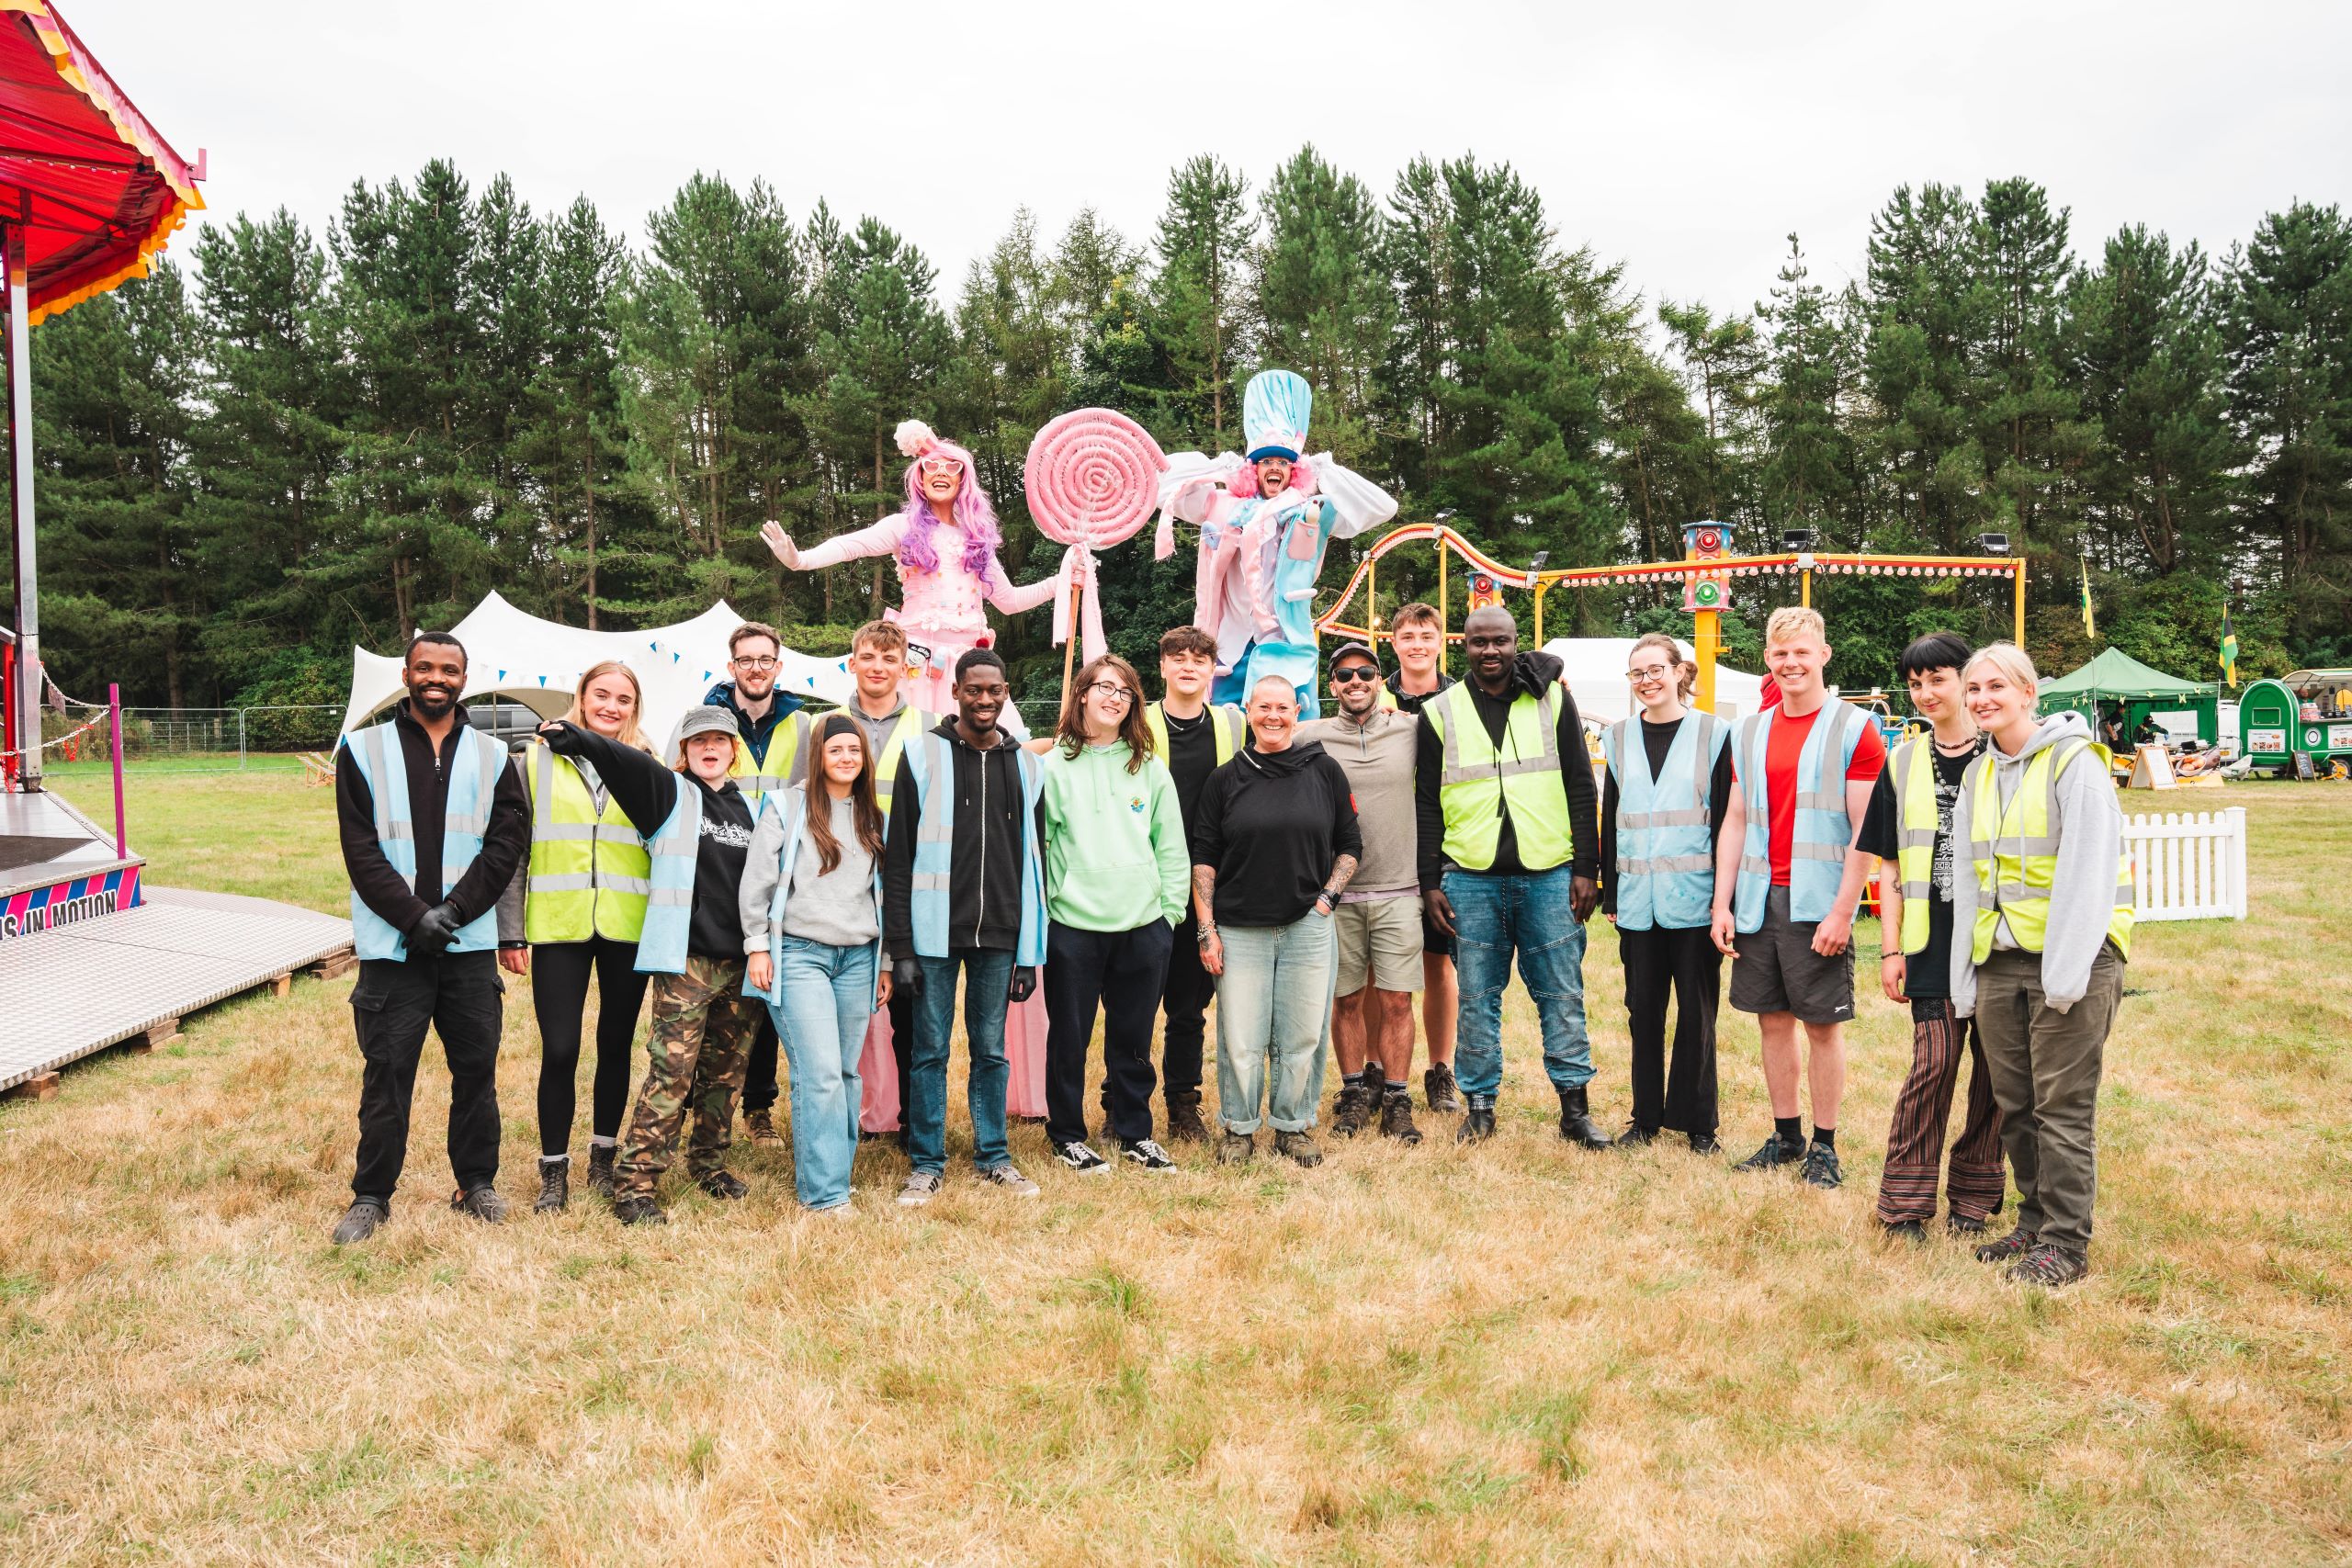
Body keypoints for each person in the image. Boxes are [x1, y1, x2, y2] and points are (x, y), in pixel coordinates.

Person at [330, 632, 530, 1244]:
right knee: (387, 1073)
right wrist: (415, 918)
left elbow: (505, 845)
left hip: (467, 948)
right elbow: (361, 851)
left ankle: (476, 1184)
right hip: (394, 950)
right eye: (425, 667)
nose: (435, 677)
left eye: (448, 669)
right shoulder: (361, 750)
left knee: (477, 1071)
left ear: (464, 678)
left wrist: (455, 912)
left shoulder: (496, 756)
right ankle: (371, 1195)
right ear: (407, 673)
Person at [538, 705, 765, 1226]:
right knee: (672, 1074)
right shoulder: (671, 795)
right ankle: (635, 1184)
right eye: (698, 742)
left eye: (721, 741)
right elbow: (626, 764)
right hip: (687, 962)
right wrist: (582, 740)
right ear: (683, 753)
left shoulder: (754, 808)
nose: (710, 748)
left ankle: (708, 1164)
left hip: (742, 963)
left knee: (725, 1075)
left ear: (735, 751)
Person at [1951, 644, 2133, 1289]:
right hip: (2002, 962)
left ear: (2030, 693)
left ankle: (2065, 1243)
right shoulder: (1978, 774)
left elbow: (2087, 875)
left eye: (1996, 686)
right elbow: (1972, 885)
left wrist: (2064, 975)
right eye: (1973, 689)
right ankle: (2033, 1222)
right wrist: (1965, 972)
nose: (1982, 699)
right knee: (2016, 1106)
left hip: (2073, 963)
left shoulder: (2074, 764)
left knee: (2062, 1108)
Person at [1417, 606, 1608, 1148]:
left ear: (1515, 642)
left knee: (1562, 995)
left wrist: (1586, 867)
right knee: (1476, 997)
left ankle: (1575, 1110)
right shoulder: (1440, 712)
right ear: (1465, 647)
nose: (1490, 653)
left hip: (1550, 874)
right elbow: (1426, 803)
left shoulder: (1550, 698)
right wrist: (1430, 881)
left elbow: (1579, 785)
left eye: (1500, 642)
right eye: (1479, 644)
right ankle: (1479, 1108)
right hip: (1470, 879)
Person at [1710, 606, 1885, 1190]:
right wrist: (1722, 902)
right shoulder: (1748, 730)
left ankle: (1825, 1147)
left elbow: (1867, 829)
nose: (1791, 663)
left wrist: (1843, 909)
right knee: (1772, 1022)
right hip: (1760, 900)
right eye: (1781, 653)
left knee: (1821, 1027)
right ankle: (1785, 1136)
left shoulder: (1854, 728)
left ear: (1823, 656)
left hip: (1817, 902)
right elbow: (1735, 819)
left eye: (1802, 652)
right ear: (1767, 659)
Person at [882, 648, 1048, 1205]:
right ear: (955, 693)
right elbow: (898, 857)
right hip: (932, 936)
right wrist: (900, 946)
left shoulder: (1027, 764)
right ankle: (927, 1163)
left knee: (991, 1050)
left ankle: (994, 1155)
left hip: (1000, 934)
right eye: (974, 690)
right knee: (928, 1050)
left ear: (1006, 694)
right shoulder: (921, 754)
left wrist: (1030, 953)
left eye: (994, 691)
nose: (984, 700)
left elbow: (1034, 863)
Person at [762, 419, 1070, 716]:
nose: (941, 472)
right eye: (930, 466)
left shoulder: (977, 539)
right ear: (920, 478)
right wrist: (800, 560)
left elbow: (1010, 601)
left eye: (952, 467)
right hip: (919, 666)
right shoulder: (904, 527)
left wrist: (1063, 580)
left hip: (970, 669)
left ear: (964, 479)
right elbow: (849, 546)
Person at [1856, 632, 2004, 1241]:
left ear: (1966, 679)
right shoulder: (1903, 760)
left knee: (1996, 1072)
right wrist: (1891, 948)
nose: (1924, 692)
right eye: (1915, 683)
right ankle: (1905, 1205)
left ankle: (1974, 1197)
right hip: (1929, 940)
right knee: (1935, 1064)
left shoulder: (2004, 752)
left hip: (1997, 939)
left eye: (1936, 679)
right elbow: (1888, 866)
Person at [495, 660, 656, 1213]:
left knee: (616, 1045)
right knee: (560, 1049)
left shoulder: (648, 763)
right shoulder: (533, 760)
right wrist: (510, 931)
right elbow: (513, 853)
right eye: (601, 695)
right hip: (558, 925)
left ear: (636, 708)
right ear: (581, 698)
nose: (611, 707)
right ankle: (553, 1171)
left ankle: (604, 1161)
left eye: (624, 699)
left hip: (626, 926)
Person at [1192, 675, 1363, 1167]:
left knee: (1302, 1033)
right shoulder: (1225, 779)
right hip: (1240, 928)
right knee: (1240, 1037)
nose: (1273, 716)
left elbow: (1350, 843)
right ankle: (1240, 1129)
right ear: (1248, 710)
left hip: (1307, 926)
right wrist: (1207, 929)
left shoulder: (1323, 770)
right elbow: (1204, 857)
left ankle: (1292, 1125)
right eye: (1263, 707)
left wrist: (1327, 899)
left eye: (1283, 708)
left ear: (1297, 711)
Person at [1156, 369, 1397, 716]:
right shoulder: (1224, 507)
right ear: (1251, 469)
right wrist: (1217, 465)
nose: (1274, 467)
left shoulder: (1310, 511)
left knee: (1296, 738)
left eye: (1282, 462)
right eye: (1265, 461)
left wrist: (1325, 469)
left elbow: (1383, 507)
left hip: (1288, 648)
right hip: (1231, 648)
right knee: (1226, 738)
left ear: (1294, 470)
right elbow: (1159, 484)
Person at [1038, 655, 1192, 1173]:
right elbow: (1041, 846)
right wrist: (1050, 911)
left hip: (1142, 925)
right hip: (1074, 926)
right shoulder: (1053, 766)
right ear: (1081, 694)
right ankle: (1066, 1135)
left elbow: (1170, 845)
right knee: (1069, 1037)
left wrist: (1168, 915)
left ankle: (1134, 1132)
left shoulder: (1147, 767)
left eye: (1124, 692)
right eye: (1104, 687)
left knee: (1132, 1036)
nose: (1113, 698)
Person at [741, 714, 890, 1214]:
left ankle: (833, 1174)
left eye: (854, 750)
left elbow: (883, 895)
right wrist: (757, 945)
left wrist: (885, 960)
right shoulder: (788, 807)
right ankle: (825, 1196)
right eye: (835, 750)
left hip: (858, 957)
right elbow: (756, 883)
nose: (846, 758)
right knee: (820, 1072)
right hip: (799, 954)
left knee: (847, 1073)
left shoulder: (873, 815)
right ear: (819, 755)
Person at [1599, 633, 1734, 1154]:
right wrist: (1611, 894)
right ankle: (1646, 1117)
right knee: (1643, 1011)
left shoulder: (1713, 735)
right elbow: (1611, 819)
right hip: (1637, 903)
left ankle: (1699, 1123)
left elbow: (1725, 820)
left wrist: (1726, 900)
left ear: (1680, 672)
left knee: (1698, 1014)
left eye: (1656, 669)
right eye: (1637, 674)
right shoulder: (1617, 739)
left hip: (1695, 900)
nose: (1647, 681)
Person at [1299, 642, 1424, 1145]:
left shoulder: (1412, 729)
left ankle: (1396, 1097)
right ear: (1331, 686)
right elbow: (1261, 720)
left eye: (1365, 672)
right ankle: (1353, 1092)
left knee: (1396, 1000)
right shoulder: (1312, 736)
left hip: (1400, 888)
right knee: (1345, 999)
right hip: (1336, 893)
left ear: (1379, 680)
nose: (1355, 681)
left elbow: (1474, 711)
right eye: (1344, 674)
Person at [1140, 625, 1249, 1143]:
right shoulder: (1134, 723)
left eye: (1199, 659)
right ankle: (1125, 1102)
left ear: (1212, 670)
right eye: (1177, 657)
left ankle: (1184, 1105)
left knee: (1189, 1006)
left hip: (1209, 883)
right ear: (1162, 667)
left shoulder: (1234, 724)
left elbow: (1288, 738)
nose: (1188, 666)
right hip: (1143, 883)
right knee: (1134, 1004)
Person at [708, 621, 811, 1152]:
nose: (755, 668)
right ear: (731, 668)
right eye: (744, 660)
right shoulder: (708, 720)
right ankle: (704, 1109)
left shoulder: (805, 725)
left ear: (778, 666)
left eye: (764, 659)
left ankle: (759, 1107)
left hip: (779, 872)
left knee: (767, 990)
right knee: (714, 994)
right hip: (719, 866)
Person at [828, 619, 933, 1140]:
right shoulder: (823, 725)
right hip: (841, 876)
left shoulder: (929, 725)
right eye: (869, 657)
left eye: (890, 660)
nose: (878, 668)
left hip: (909, 878)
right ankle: (851, 1116)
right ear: (853, 663)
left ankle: (915, 1119)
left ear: (904, 667)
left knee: (911, 1003)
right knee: (845, 1003)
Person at [1380, 600, 1463, 1114]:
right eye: (1407, 636)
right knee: (1374, 969)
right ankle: (1371, 1071)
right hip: (1386, 840)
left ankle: (1440, 1070)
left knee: (1439, 962)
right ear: (1395, 643)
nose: (1417, 645)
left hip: (1444, 844)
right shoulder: (1373, 693)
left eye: (1425, 636)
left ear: (1440, 641)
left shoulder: (1461, 697)